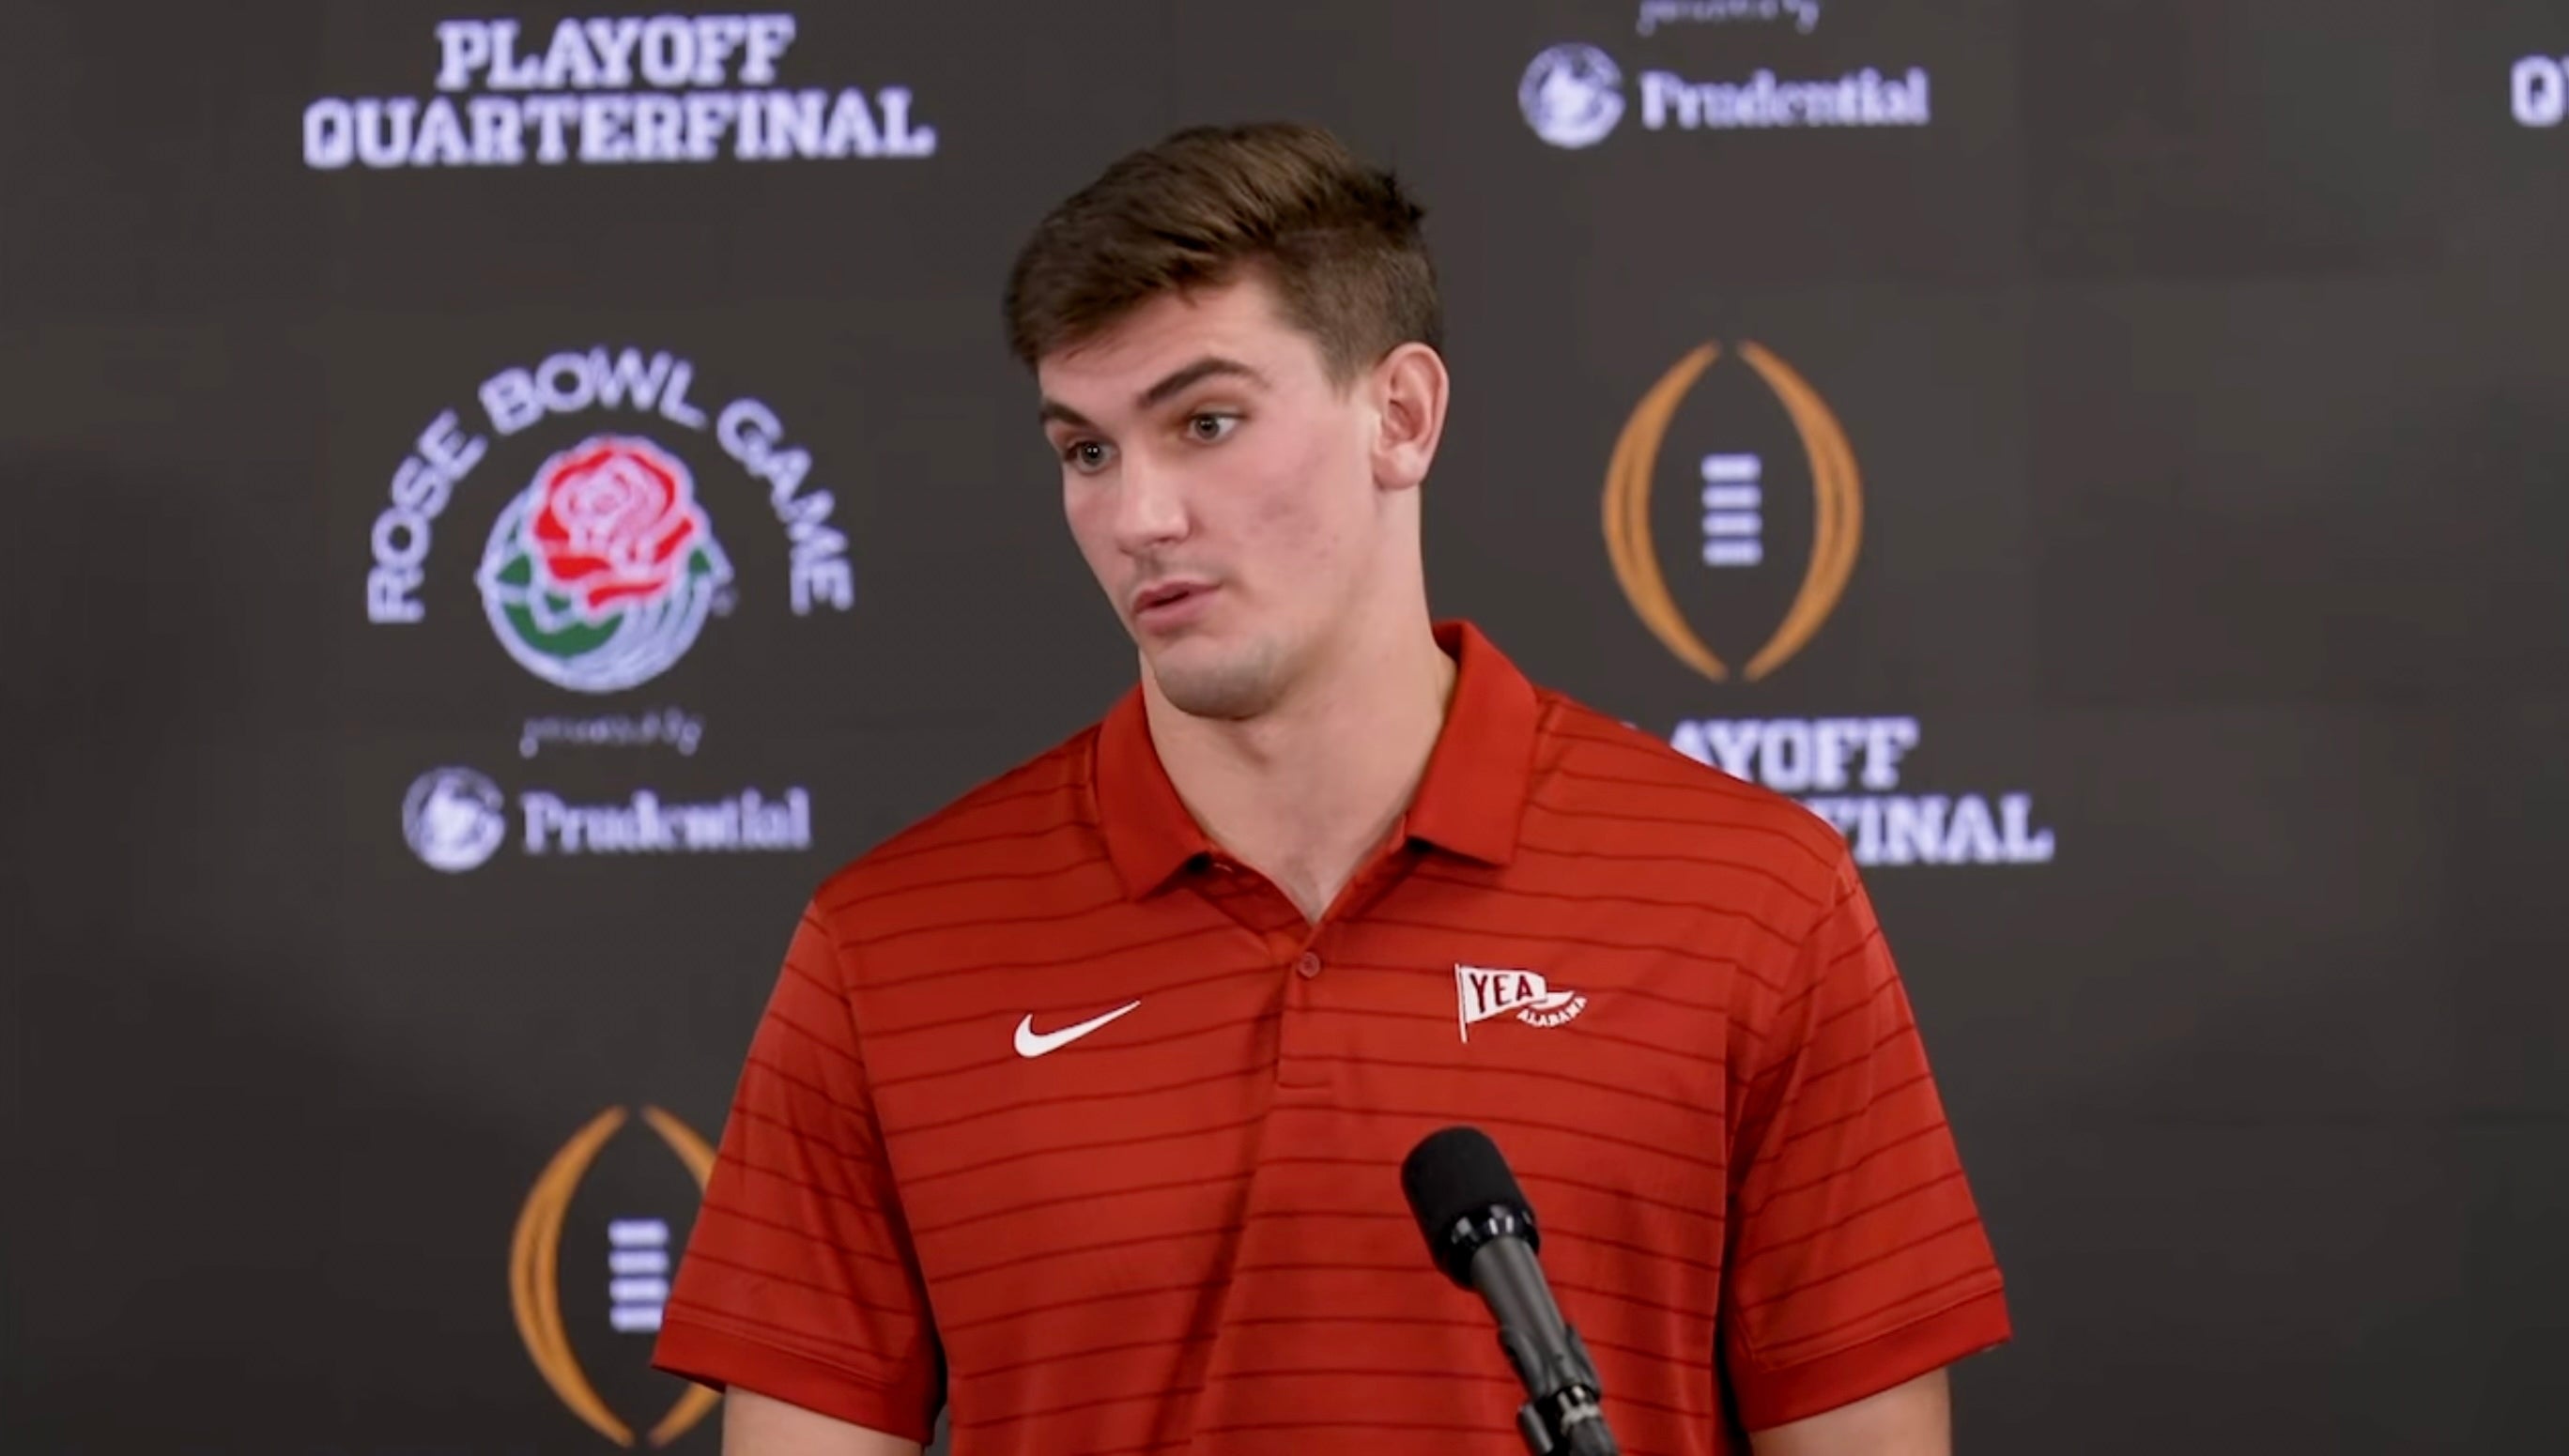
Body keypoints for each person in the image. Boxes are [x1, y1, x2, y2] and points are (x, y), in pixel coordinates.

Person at [654, 121, 2011, 1455]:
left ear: (1401, 416)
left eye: (1208, 420)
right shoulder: (889, 946)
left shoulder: (1752, 898)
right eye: (1088, 451)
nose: (1138, 517)